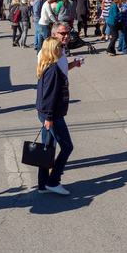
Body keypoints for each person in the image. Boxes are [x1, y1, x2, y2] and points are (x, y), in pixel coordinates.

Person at [36, 37, 73, 196]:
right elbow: (49, 96)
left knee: (47, 150)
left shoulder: (47, 66)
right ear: (53, 50)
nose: (62, 49)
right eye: (59, 47)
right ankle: (53, 181)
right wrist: (49, 118)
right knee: (67, 147)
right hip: (52, 116)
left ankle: (42, 185)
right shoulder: (52, 70)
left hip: (47, 114)